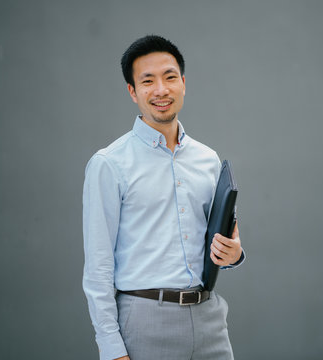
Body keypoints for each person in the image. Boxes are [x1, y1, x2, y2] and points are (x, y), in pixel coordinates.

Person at [82, 35, 245, 360]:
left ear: (183, 83)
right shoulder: (109, 164)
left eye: (170, 77)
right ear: (132, 91)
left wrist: (234, 254)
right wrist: (112, 349)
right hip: (144, 322)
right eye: (147, 81)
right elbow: (98, 268)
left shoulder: (208, 159)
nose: (161, 89)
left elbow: (220, 237)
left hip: (208, 318)